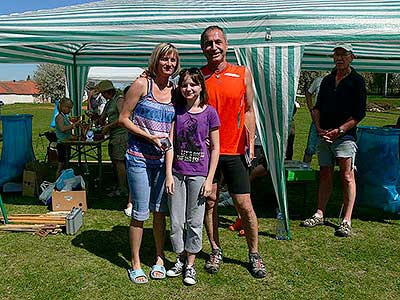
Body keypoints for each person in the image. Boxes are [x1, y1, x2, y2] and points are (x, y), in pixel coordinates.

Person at [200, 25, 266, 278]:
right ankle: (216, 249)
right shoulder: (197, 77)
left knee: (244, 205)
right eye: (208, 43)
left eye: (218, 42)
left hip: (235, 150)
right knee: (210, 202)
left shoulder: (242, 73)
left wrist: (251, 142)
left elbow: (248, 109)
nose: (213, 47)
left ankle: (254, 253)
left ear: (226, 45)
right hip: (207, 154)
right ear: (202, 48)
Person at [119, 43, 180, 284]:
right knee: (140, 212)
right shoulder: (142, 84)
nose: (169, 64)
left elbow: (172, 131)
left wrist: (169, 169)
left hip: (162, 161)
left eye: (173, 60)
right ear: (156, 60)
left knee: (159, 211)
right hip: (138, 159)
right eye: (165, 59)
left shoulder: (176, 91)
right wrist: (150, 136)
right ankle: (135, 263)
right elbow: (124, 119)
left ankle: (159, 258)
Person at [301, 43, 367, 237]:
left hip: (344, 136)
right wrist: (319, 127)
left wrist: (340, 130)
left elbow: (359, 113)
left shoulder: (357, 81)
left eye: (343, 55)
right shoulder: (328, 80)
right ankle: (319, 213)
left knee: (347, 176)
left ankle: (346, 220)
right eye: (336, 55)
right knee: (325, 174)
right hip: (325, 135)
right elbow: (318, 106)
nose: (339, 58)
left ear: (351, 57)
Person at [165, 68, 220, 285]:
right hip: (177, 174)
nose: (188, 89)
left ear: (200, 87)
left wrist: (209, 179)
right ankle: (178, 259)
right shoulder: (176, 111)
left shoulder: (210, 113)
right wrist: (168, 174)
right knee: (177, 222)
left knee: (194, 221)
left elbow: (216, 148)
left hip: (199, 175)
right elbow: (169, 144)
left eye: (193, 84)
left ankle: (190, 265)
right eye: (184, 84)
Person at [96, 80, 129, 198]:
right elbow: (103, 117)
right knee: (115, 161)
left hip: (121, 135)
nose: (102, 96)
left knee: (119, 162)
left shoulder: (119, 99)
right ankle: (119, 185)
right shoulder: (110, 102)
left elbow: (122, 118)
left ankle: (123, 189)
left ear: (107, 91)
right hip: (114, 135)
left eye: (102, 93)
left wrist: (108, 127)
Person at [55, 97, 80, 179]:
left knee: (65, 164)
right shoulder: (59, 117)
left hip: (66, 143)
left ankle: (63, 180)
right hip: (61, 144)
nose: (69, 110)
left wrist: (73, 137)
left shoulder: (64, 116)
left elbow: (66, 133)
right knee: (61, 165)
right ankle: (56, 182)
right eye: (68, 107)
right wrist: (73, 125)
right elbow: (62, 129)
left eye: (70, 108)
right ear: (62, 106)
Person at [303, 76, 324, 164]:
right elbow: (308, 93)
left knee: (330, 148)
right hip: (317, 118)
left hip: (333, 120)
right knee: (311, 147)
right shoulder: (319, 80)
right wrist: (311, 108)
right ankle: (305, 168)